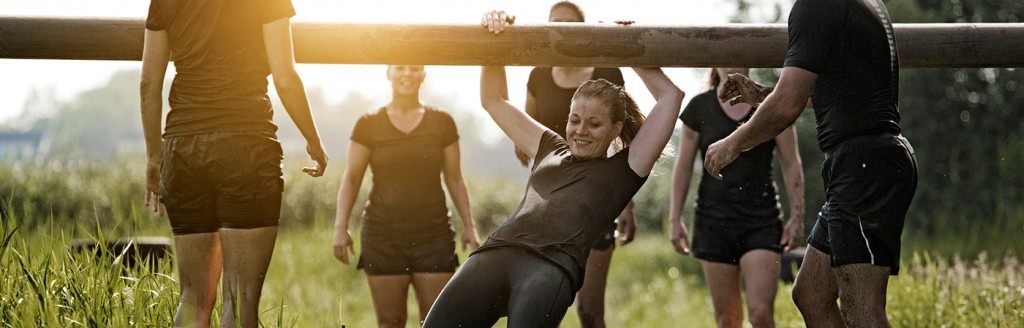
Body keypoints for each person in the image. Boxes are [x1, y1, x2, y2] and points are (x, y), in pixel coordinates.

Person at [421, 11, 684, 328]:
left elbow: (671, 96)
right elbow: (493, 99)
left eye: (594, 124)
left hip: (550, 266)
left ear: (616, 129)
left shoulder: (624, 169)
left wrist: (628, 45)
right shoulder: (550, 146)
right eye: (575, 120)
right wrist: (495, 37)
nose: (580, 131)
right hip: (497, 252)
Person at [704, 0, 918, 326]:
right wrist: (764, 96)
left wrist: (731, 145)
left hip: (865, 164)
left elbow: (787, 107)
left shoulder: (815, 5)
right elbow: (825, 89)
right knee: (811, 295)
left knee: (861, 308)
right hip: (861, 162)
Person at [140, 0, 329, 327]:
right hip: (247, 146)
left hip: (183, 148)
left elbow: (148, 83)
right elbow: (285, 77)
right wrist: (313, 140)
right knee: (241, 300)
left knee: (193, 297)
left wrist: (154, 157)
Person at [513, 2, 635, 327]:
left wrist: (627, 204)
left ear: (583, 29)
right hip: (548, 203)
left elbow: (625, 139)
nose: (563, 29)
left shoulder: (607, 73)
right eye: (557, 23)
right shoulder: (538, 76)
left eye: (571, 23)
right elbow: (525, 132)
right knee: (536, 307)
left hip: (596, 199)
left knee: (590, 311)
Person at [332, 65, 480, 327]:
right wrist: (340, 227)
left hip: (433, 236)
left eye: (414, 69)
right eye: (400, 68)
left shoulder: (442, 123)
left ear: (423, 75)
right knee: (390, 322)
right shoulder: (368, 124)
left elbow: (455, 178)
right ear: (388, 73)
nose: (407, 74)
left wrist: (470, 226)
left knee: (435, 322)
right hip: (382, 237)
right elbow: (352, 178)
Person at [669, 67, 805, 328]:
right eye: (725, 57)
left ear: (750, 60)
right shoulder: (699, 107)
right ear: (714, 64)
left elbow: (791, 163)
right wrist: (675, 219)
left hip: (761, 221)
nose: (732, 63)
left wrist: (797, 216)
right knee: (727, 320)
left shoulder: (773, 102)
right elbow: (684, 167)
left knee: (761, 314)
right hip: (713, 222)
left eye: (739, 55)